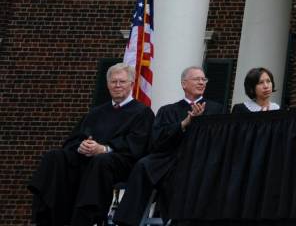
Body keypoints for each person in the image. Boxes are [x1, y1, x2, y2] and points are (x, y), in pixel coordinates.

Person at [29, 62, 154, 226]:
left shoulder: (142, 112)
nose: (117, 85)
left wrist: (104, 149)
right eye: (113, 82)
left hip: (119, 163)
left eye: (122, 82)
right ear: (108, 84)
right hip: (87, 159)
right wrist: (81, 146)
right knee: (55, 157)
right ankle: (49, 216)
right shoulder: (97, 112)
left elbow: (137, 144)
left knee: (101, 160)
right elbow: (75, 138)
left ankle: (85, 219)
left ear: (131, 84)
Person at [113, 66, 226, 226]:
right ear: (184, 84)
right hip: (169, 157)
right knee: (144, 165)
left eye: (204, 79)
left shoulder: (216, 109)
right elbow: (157, 140)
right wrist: (184, 123)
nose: (201, 82)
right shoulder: (168, 110)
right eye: (196, 79)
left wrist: (200, 122)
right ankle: (127, 220)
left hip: (200, 159)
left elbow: (220, 140)